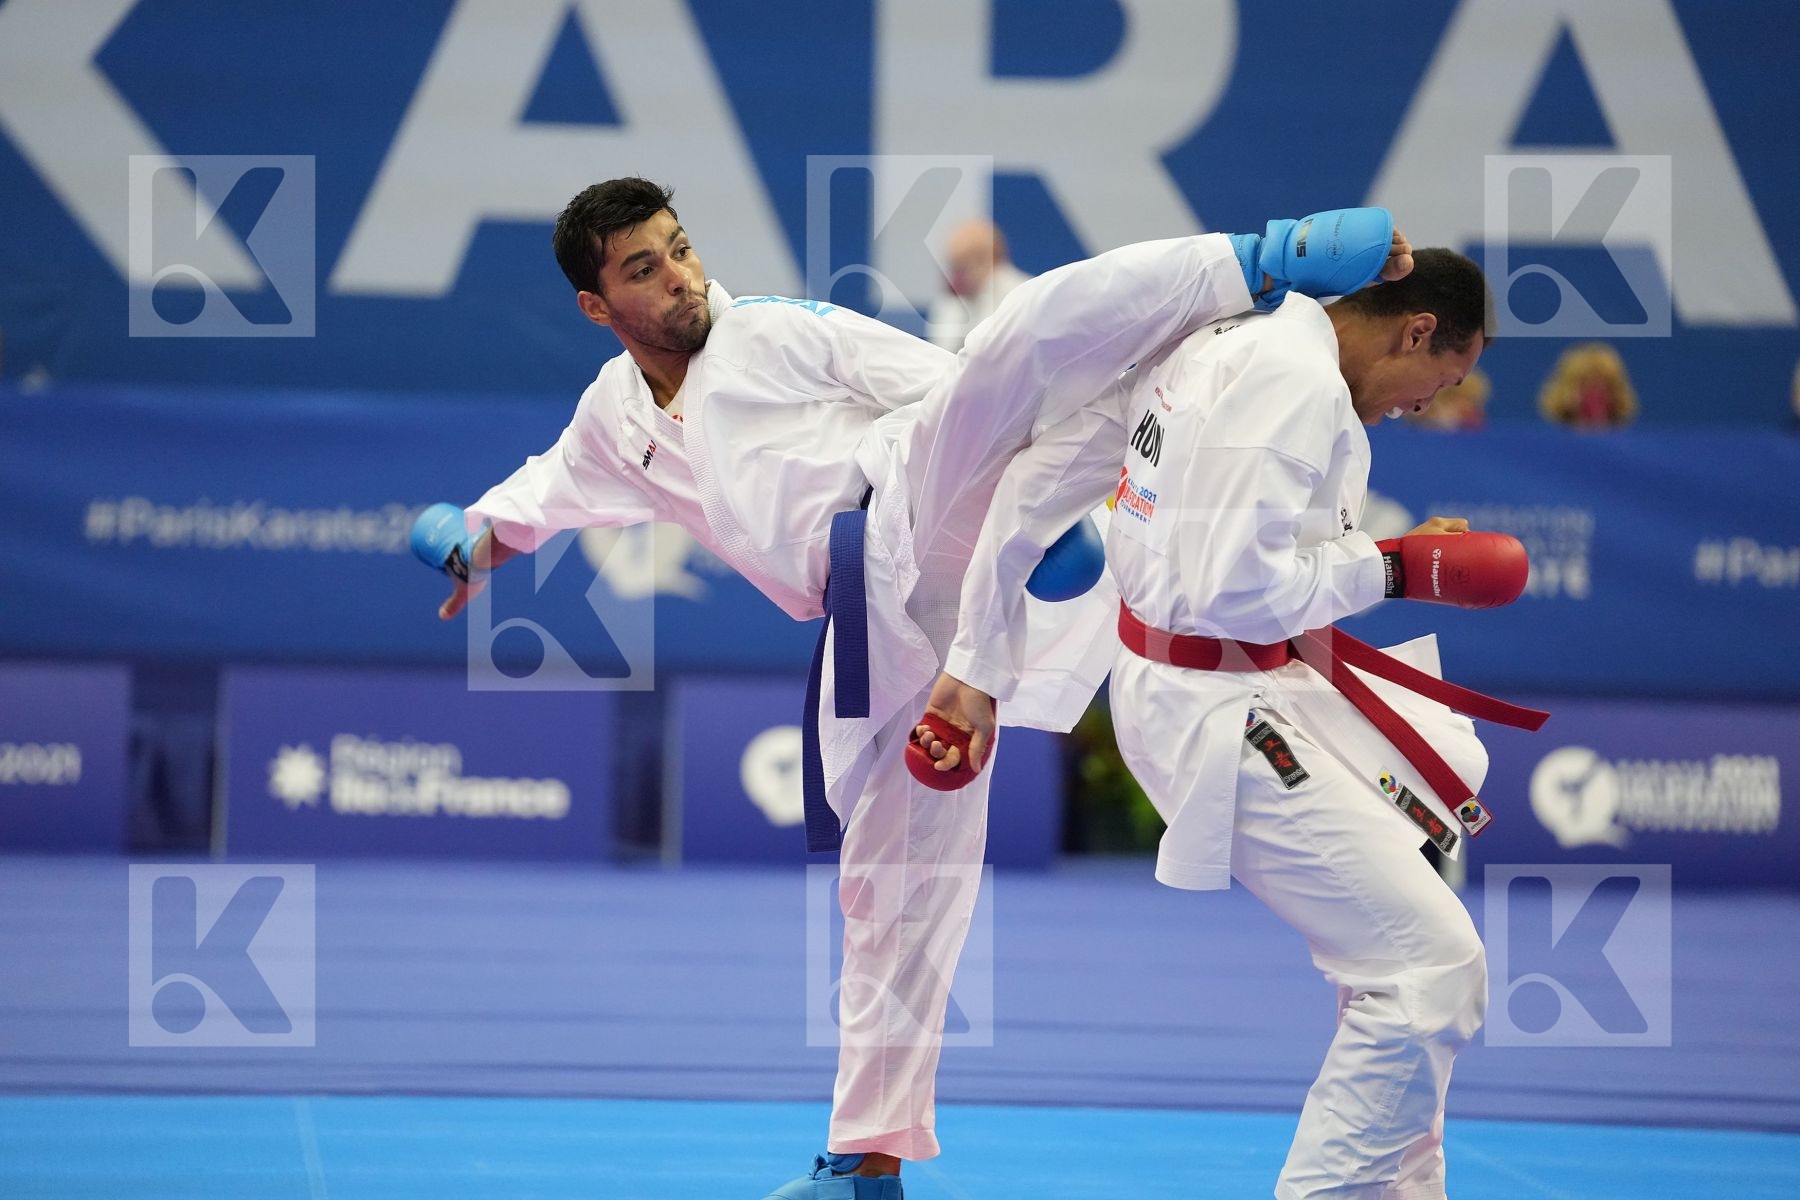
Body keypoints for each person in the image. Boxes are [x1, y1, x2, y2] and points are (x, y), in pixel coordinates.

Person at [422, 177, 1411, 1198]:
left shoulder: (773, 335)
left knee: (1010, 352)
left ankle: (1262, 258)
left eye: (678, 247)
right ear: (597, 307)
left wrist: (1026, 499)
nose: (678, 275)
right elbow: (546, 487)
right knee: (891, 892)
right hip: (873, 632)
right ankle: (868, 1160)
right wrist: (475, 540)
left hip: (907, 502)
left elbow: (961, 383)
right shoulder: (615, 418)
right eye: (643, 268)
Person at [916, 249, 1546, 1199]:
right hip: (1218, 702)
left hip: (1232, 682)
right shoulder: (1289, 381)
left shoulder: (1225, 333)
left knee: (1391, 968)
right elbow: (1231, 589)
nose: (1421, 405)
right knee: (1427, 971)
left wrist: (976, 661)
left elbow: (1044, 482)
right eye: (1438, 384)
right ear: (1417, 331)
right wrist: (1395, 568)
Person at [925, 218, 1032, 352]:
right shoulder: (950, 301)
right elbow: (941, 353)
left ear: (987, 261)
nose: (955, 278)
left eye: (962, 268)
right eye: (953, 268)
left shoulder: (1022, 296)